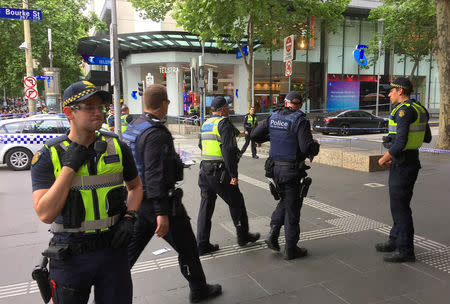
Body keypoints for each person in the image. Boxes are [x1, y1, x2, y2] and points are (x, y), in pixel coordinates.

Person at [30, 80, 143, 303]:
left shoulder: (117, 147)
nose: (97, 112)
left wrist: (130, 217)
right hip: (70, 255)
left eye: (100, 107)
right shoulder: (48, 155)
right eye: (88, 107)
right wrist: (70, 167)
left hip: (113, 250)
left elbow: (136, 187)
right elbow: (45, 214)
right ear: (68, 112)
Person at [124, 84, 222, 303]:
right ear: (164, 103)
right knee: (187, 246)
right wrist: (161, 211)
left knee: (126, 254)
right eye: (168, 102)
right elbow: (155, 172)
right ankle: (198, 289)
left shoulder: (133, 127)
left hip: (136, 201)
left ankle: (109, 294)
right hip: (161, 203)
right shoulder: (156, 133)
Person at [251, 91, 320, 260]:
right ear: (300, 105)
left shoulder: (273, 117)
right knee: (293, 208)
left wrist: (274, 137)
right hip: (291, 171)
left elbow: (254, 135)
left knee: (286, 201)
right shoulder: (300, 120)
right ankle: (291, 248)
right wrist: (315, 146)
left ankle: (273, 234)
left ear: (286, 102)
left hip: (274, 170)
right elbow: (305, 148)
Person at [377, 77, 431, 263]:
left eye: (391, 90)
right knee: (399, 205)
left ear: (401, 91)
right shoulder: (419, 109)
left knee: (400, 208)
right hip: (408, 160)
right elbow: (427, 137)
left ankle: (405, 250)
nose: (389, 93)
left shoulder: (404, 111)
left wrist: (385, 158)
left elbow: (400, 142)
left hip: (403, 163)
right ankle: (394, 240)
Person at [197, 96, 260, 255]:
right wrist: (233, 174)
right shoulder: (224, 124)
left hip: (204, 171)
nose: (229, 108)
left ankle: (202, 243)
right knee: (237, 202)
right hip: (219, 172)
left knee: (206, 206)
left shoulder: (206, 124)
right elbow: (228, 150)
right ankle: (243, 236)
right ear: (223, 108)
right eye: (227, 106)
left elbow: (200, 145)